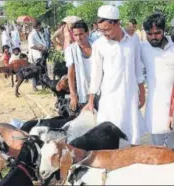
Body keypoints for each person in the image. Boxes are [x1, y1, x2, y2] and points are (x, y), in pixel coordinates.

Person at [83, 5, 145, 146]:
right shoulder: (99, 45)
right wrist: (91, 99)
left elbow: (137, 68)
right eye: (101, 30)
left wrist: (142, 91)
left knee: (132, 132)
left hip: (129, 95)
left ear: (117, 23)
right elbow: (96, 74)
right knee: (109, 135)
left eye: (107, 29)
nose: (104, 33)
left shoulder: (132, 40)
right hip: (109, 97)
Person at [140, 13, 174, 148]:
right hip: (155, 108)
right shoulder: (142, 49)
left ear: (164, 30)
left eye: (157, 33)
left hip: (173, 102)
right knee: (157, 149)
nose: (153, 37)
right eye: (150, 33)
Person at [64, 20, 93, 112]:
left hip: (99, 88)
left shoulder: (96, 46)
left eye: (81, 34)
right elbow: (71, 74)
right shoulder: (71, 50)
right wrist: (73, 95)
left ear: (87, 33)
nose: (78, 38)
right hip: (84, 90)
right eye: (75, 35)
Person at [28, 20, 47, 91]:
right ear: (38, 25)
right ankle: (34, 86)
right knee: (35, 70)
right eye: (40, 25)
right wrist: (40, 49)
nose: (41, 26)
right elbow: (31, 46)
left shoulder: (39, 33)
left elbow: (42, 43)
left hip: (41, 55)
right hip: (36, 55)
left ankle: (43, 84)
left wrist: (44, 48)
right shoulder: (31, 35)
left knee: (42, 70)